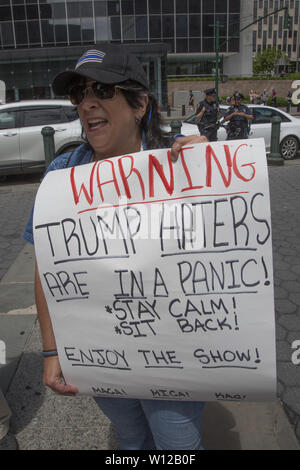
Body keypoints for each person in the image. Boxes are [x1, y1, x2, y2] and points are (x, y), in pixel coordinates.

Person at [23, 45, 208, 451]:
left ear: (140, 103)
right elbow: (45, 267)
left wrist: (204, 174)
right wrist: (52, 350)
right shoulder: (62, 172)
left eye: (103, 90)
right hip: (101, 352)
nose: (87, 103)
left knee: (176, 443)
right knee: (129, 437)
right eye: (79, 94)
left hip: (172, 357)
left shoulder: (176, 163)